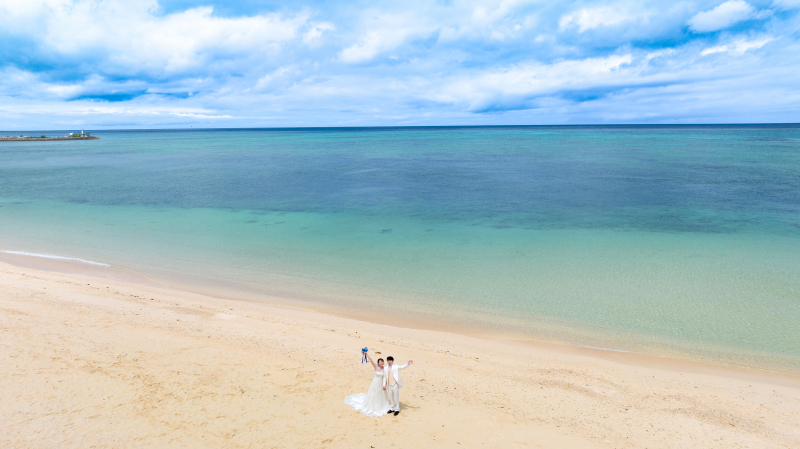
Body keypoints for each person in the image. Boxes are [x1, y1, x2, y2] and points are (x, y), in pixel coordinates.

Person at [343, 350, 392, 417]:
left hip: (381, 384)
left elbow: (386, 377)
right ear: (378, 363)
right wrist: (367, 354)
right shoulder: (376, 367)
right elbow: (371, 360)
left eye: (382, 361)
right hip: (375, 382)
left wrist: (385, 385)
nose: (381, 362)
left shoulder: (385, 368)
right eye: (380, 362)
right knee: (374, 393)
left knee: (381, 394)